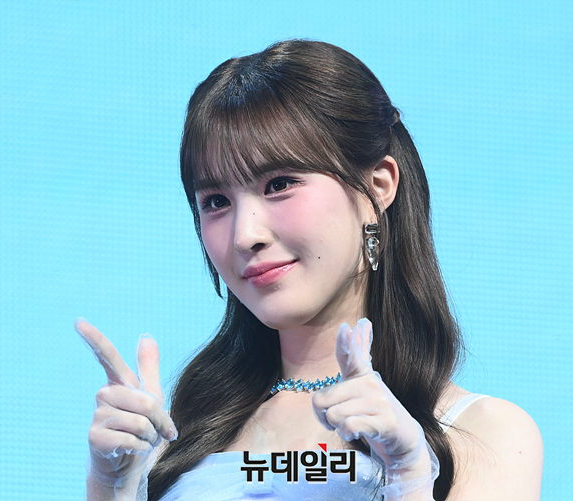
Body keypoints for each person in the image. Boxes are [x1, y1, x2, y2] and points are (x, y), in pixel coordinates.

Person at [76, 39, 543, 501]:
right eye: (216, 202)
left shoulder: (483, 435)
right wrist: (110, 488)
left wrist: (410, 479)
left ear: (377, 187)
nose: (244, 235)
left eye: (279, 184)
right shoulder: (176, 439)